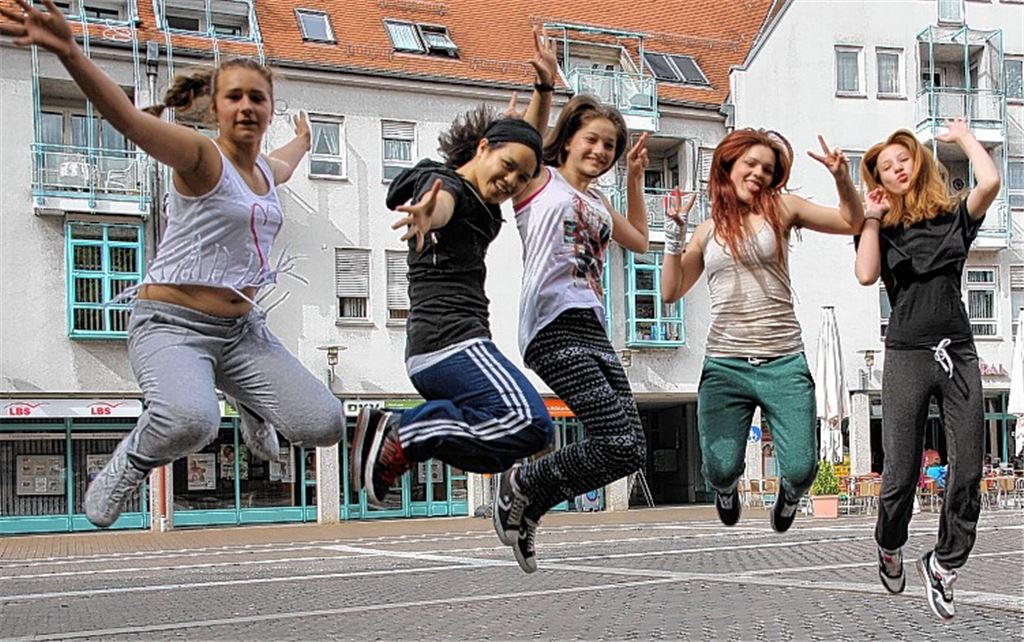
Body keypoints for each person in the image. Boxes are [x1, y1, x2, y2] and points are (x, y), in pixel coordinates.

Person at [0, 0, 345, 527]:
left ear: (269, 109)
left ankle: (248, 399)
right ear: (216, 109)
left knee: (325, 423)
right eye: (235, 97)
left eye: (258, 98)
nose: (247, 106)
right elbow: (129, 120)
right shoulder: (200, 156)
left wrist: (302, 140)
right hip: (172, 326)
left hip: (242, 333)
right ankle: (130, 461)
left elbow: (289, 165)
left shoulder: (266, 175)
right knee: (191, 421)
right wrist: (70, 51)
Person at [350, 26, 560, 510]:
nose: (511, 182)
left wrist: (544, 90)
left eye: (523, 179)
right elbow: (442, 201)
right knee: (531, 424)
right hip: (454, 342)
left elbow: (522, 143)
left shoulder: (483, 184)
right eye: (506, 167)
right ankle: (403, 430)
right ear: (481, 148)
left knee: (513, 437)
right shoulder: (449, 188)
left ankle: (399, 446)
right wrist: (429, 211)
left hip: (434, 351)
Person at [659, 129, 864, 533]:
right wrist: (674, 235)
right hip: (725, 364)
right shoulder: (706, 231)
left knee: (803, 467)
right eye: (750, 164)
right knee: (719, 467)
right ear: (728, 166)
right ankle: (725, 490)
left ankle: (788, 497)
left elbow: (850, 221)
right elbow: (670, 291)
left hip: (783, 360)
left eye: (767, 169)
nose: (758, 173)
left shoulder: (781, 209)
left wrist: (841, 177)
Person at [492, 93, 653, 574]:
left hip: (594, 325)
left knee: (631, 450)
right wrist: (541, 93)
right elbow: (522, 148)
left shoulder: (600, 199)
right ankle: (523, 482)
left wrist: (636, 178)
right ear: (567, 139)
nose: (602, 151)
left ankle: (529, 503)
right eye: (593, 140)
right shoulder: (540, 180)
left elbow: (640, 241)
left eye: (610, 146)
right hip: (551, 324)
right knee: (616, 440)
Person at [854, 118, 999, 621]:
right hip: (907, 353)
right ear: (879, 178)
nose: (897, 169)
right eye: (885, 166)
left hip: (957, 350)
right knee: (899, 473)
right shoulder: (883, 227)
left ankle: (943, 565)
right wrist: (870, 220)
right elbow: (866, 274)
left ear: (918, 163)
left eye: (903, 159)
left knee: (968, 469)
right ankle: (889, 543)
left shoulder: (952, 217)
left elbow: (992, 182)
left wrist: (963, 139)